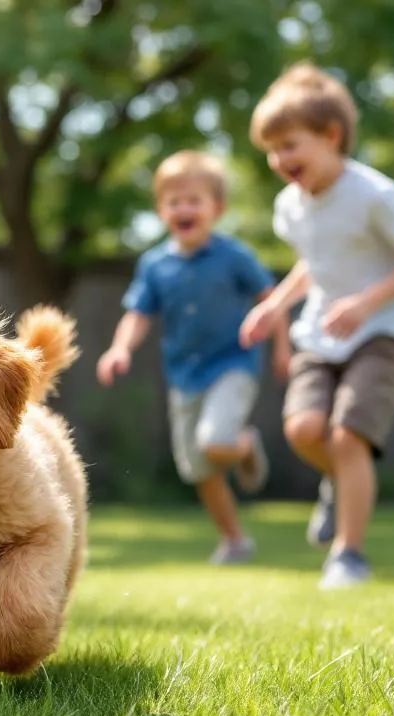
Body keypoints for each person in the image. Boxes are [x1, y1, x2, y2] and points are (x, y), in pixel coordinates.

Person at [239, 62, 394, 589]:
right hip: (322, 331)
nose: (280, 160)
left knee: (349, 436)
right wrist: (275, 305)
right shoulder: (290, 206)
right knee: (304, 430)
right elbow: (314, 263)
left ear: (331, 136)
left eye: (290, 145)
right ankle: (340, 484)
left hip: (385, 329)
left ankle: (349, 555)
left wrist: (366, 303)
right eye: (272, 150)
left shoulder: (374, 195)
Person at [97, 150, 291, 565]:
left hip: (233, 363)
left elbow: (271, 299)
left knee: (215, 442)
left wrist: (282, 348)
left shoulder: (234, 256)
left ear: (217, 208)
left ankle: (243, 444)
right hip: (184, 375)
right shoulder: (155, 265)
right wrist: (120, 348)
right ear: (161, 210)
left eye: (193, 200)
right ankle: (234, 540)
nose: (183, 209)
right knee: (200, 469)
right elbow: (138, 314)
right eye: (174, 202)